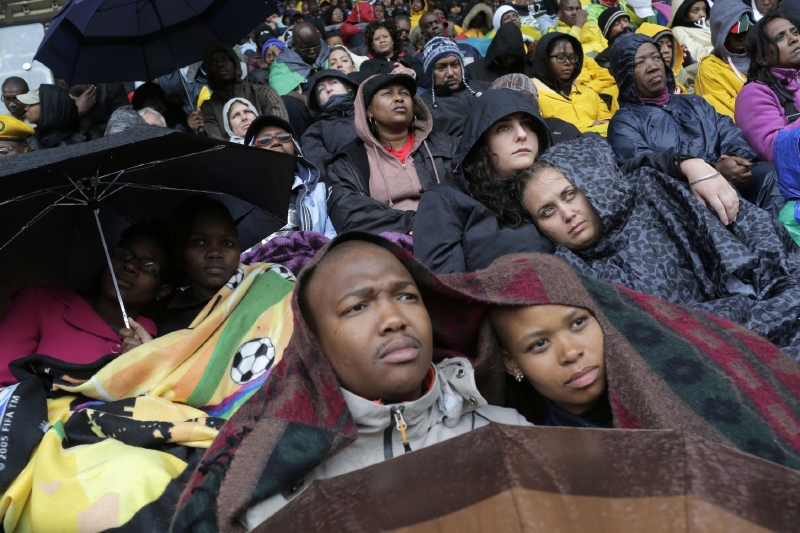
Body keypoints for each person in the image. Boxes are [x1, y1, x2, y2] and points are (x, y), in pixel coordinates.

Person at [239, 236, 531, 527]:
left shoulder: (509, 434)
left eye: (407, 297)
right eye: (357, 307)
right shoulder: (280, 489)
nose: (394, 318)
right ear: (313, 342)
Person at [515, 144, 800, 359]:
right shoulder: (570, 274)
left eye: (569, 194)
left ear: (590, 184)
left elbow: (758, 235)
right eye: (548, 211)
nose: (567, 214)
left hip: (773, 302)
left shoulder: (651, 190)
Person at [607, 33, 781, 216]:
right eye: (639, 63)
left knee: (772, 175)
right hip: (684, 198)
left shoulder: (695, 103)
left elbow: (729, 131)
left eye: (656, 57)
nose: (652, 67)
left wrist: (736, 161)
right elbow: (645, 170)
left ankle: (781, 237)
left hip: (732, 179)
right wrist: (714, 170)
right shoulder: (623, 122)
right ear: (625, 74)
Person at [0, 222, 173, 386]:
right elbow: (2, 380)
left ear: (163, 290)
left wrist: (142, 368)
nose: (130, 266)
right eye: (123, 254)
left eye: (149, 266)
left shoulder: (165, 342)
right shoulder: (42, 302)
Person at [412, 89, 554, 274]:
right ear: (481, 142)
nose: (521, 134)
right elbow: (446, 289)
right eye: (503, 127)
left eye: (527, 124)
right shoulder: (444, 201)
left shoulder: (559, 187)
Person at [327, 74, 458, 234]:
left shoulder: (446, 144)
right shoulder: (349, 160)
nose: (399, 98)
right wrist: (411, 223)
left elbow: (473, 187)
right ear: (368, 111)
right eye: (387, 93)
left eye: (404, 93)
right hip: (390, 241)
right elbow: (347, 213)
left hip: (451, 229)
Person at [152, 197, 241, 336]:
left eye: (227, 243)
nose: (215, 253)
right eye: (199, 242)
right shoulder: (171, 324)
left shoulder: (265, 295)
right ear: (181, 250)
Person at [244, 114, 338, 240]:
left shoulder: (320, 191)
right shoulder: (240, 199)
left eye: (284, 137)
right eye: (264, 140)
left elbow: (332, 237)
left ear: (295, 147)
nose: (276, 142)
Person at [736, 13, 800, 162]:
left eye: (795, 32)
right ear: (761, 58)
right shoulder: (754, 93)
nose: (794, 39)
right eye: (780, 37)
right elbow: (772, 149)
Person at [200, 43, 288, 141]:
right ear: (208, 71)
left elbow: (279, 134)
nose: (220, 64)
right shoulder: (208, 109)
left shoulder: (265, 93)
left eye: (225, 59)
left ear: (235, 64)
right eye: (213, 62)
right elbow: (217, 145)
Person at [531, 33, 613, 135]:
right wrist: (590, 124)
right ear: (544, 59)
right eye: (560, 57)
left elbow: (608, 124)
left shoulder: (588, 91)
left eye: (572, 57)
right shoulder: (532, 95)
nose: (568, 62)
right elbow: (546, 132)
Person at [418, 37, 490, 136]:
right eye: (441, 68)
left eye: (455, 65)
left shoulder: (485, 88)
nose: (450, 73)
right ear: (431, 74)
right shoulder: (423, 106)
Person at [696, 0, 754, 119]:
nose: (742, 37)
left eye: (746, 30)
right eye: (735, 32)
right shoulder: (709, 68)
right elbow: (724, 116)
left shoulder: (762, 56)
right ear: (720, 33)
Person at [301, 69, 361, 179]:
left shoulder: (368, 113)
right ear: (317, 102)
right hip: (350, 185)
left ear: (348, 88)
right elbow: (323, 169)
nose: (329, 89)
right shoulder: (314, 131)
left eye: (334, 83)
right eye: (321, 90)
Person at [270, 22, 331, 95]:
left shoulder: (332, 53)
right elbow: (279, 93)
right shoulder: (281, 63)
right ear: (294, 46)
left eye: (316, 46)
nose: (312, 51)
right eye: (306, 48)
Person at [359, 21, 427, 86]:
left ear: (393, 40)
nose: (382, 40)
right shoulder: (367, 65)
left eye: (385, 36)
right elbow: (367, 84)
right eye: (377, 39)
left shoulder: (409, 60)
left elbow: (425, 82)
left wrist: (411, 73)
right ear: (372, 46)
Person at [17, 85, 84, 150]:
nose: (26, 108)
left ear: (48, 107)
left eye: (31, 104)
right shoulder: (33, 140)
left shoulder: (75, 146)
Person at [465, 23, 535, 82]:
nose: (509, 60)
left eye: (514, 56)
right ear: (497, 50)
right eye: (506, 56)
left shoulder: (529, 72)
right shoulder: (473, 72)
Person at [636, 23, 694, 94]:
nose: (667, 50)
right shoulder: (638, 78)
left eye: (669, 45)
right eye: (659, 45)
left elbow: (692, 89)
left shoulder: (678, 71)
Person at [413, 11, 480, 64]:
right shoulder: (419, 59)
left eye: (437, 22)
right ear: (423, 34)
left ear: (444, 26)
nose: (435, 26)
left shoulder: (469, 49)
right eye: (428, 25)